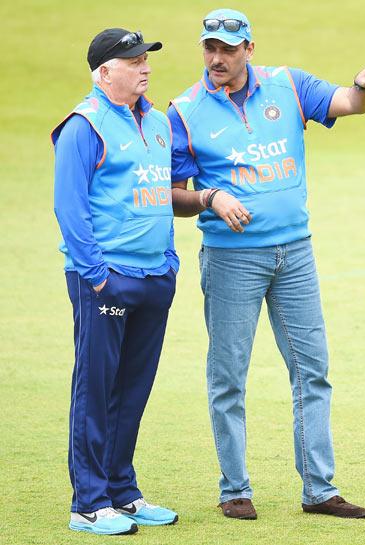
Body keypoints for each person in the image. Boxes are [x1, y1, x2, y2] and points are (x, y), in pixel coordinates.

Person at [169, 8, 365, 520]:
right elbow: (172, 195)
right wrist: (210, 199)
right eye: (210, 48)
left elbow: (348, 103)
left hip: (295, 253)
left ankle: (319, 489)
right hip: (231, 260)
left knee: (311, 370)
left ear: (250, 48)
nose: (218, 58)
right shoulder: (183, 111)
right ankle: (235, 489)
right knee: (229, 374)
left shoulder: (288, 85)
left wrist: (363, 86)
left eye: (229, 48)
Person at [52, 28, 180, 535]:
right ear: (104, 72)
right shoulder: (85, 125)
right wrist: (96, 276)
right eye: (131, 60)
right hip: (106, 281)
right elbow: (70, 207)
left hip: (154, 276)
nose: (144, 66)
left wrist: (169, 260)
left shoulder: (159, 121)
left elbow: (161, 194)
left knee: (132, 390)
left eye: (145, 57)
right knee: (96, 387)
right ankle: (88, 501)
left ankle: (122, 491)